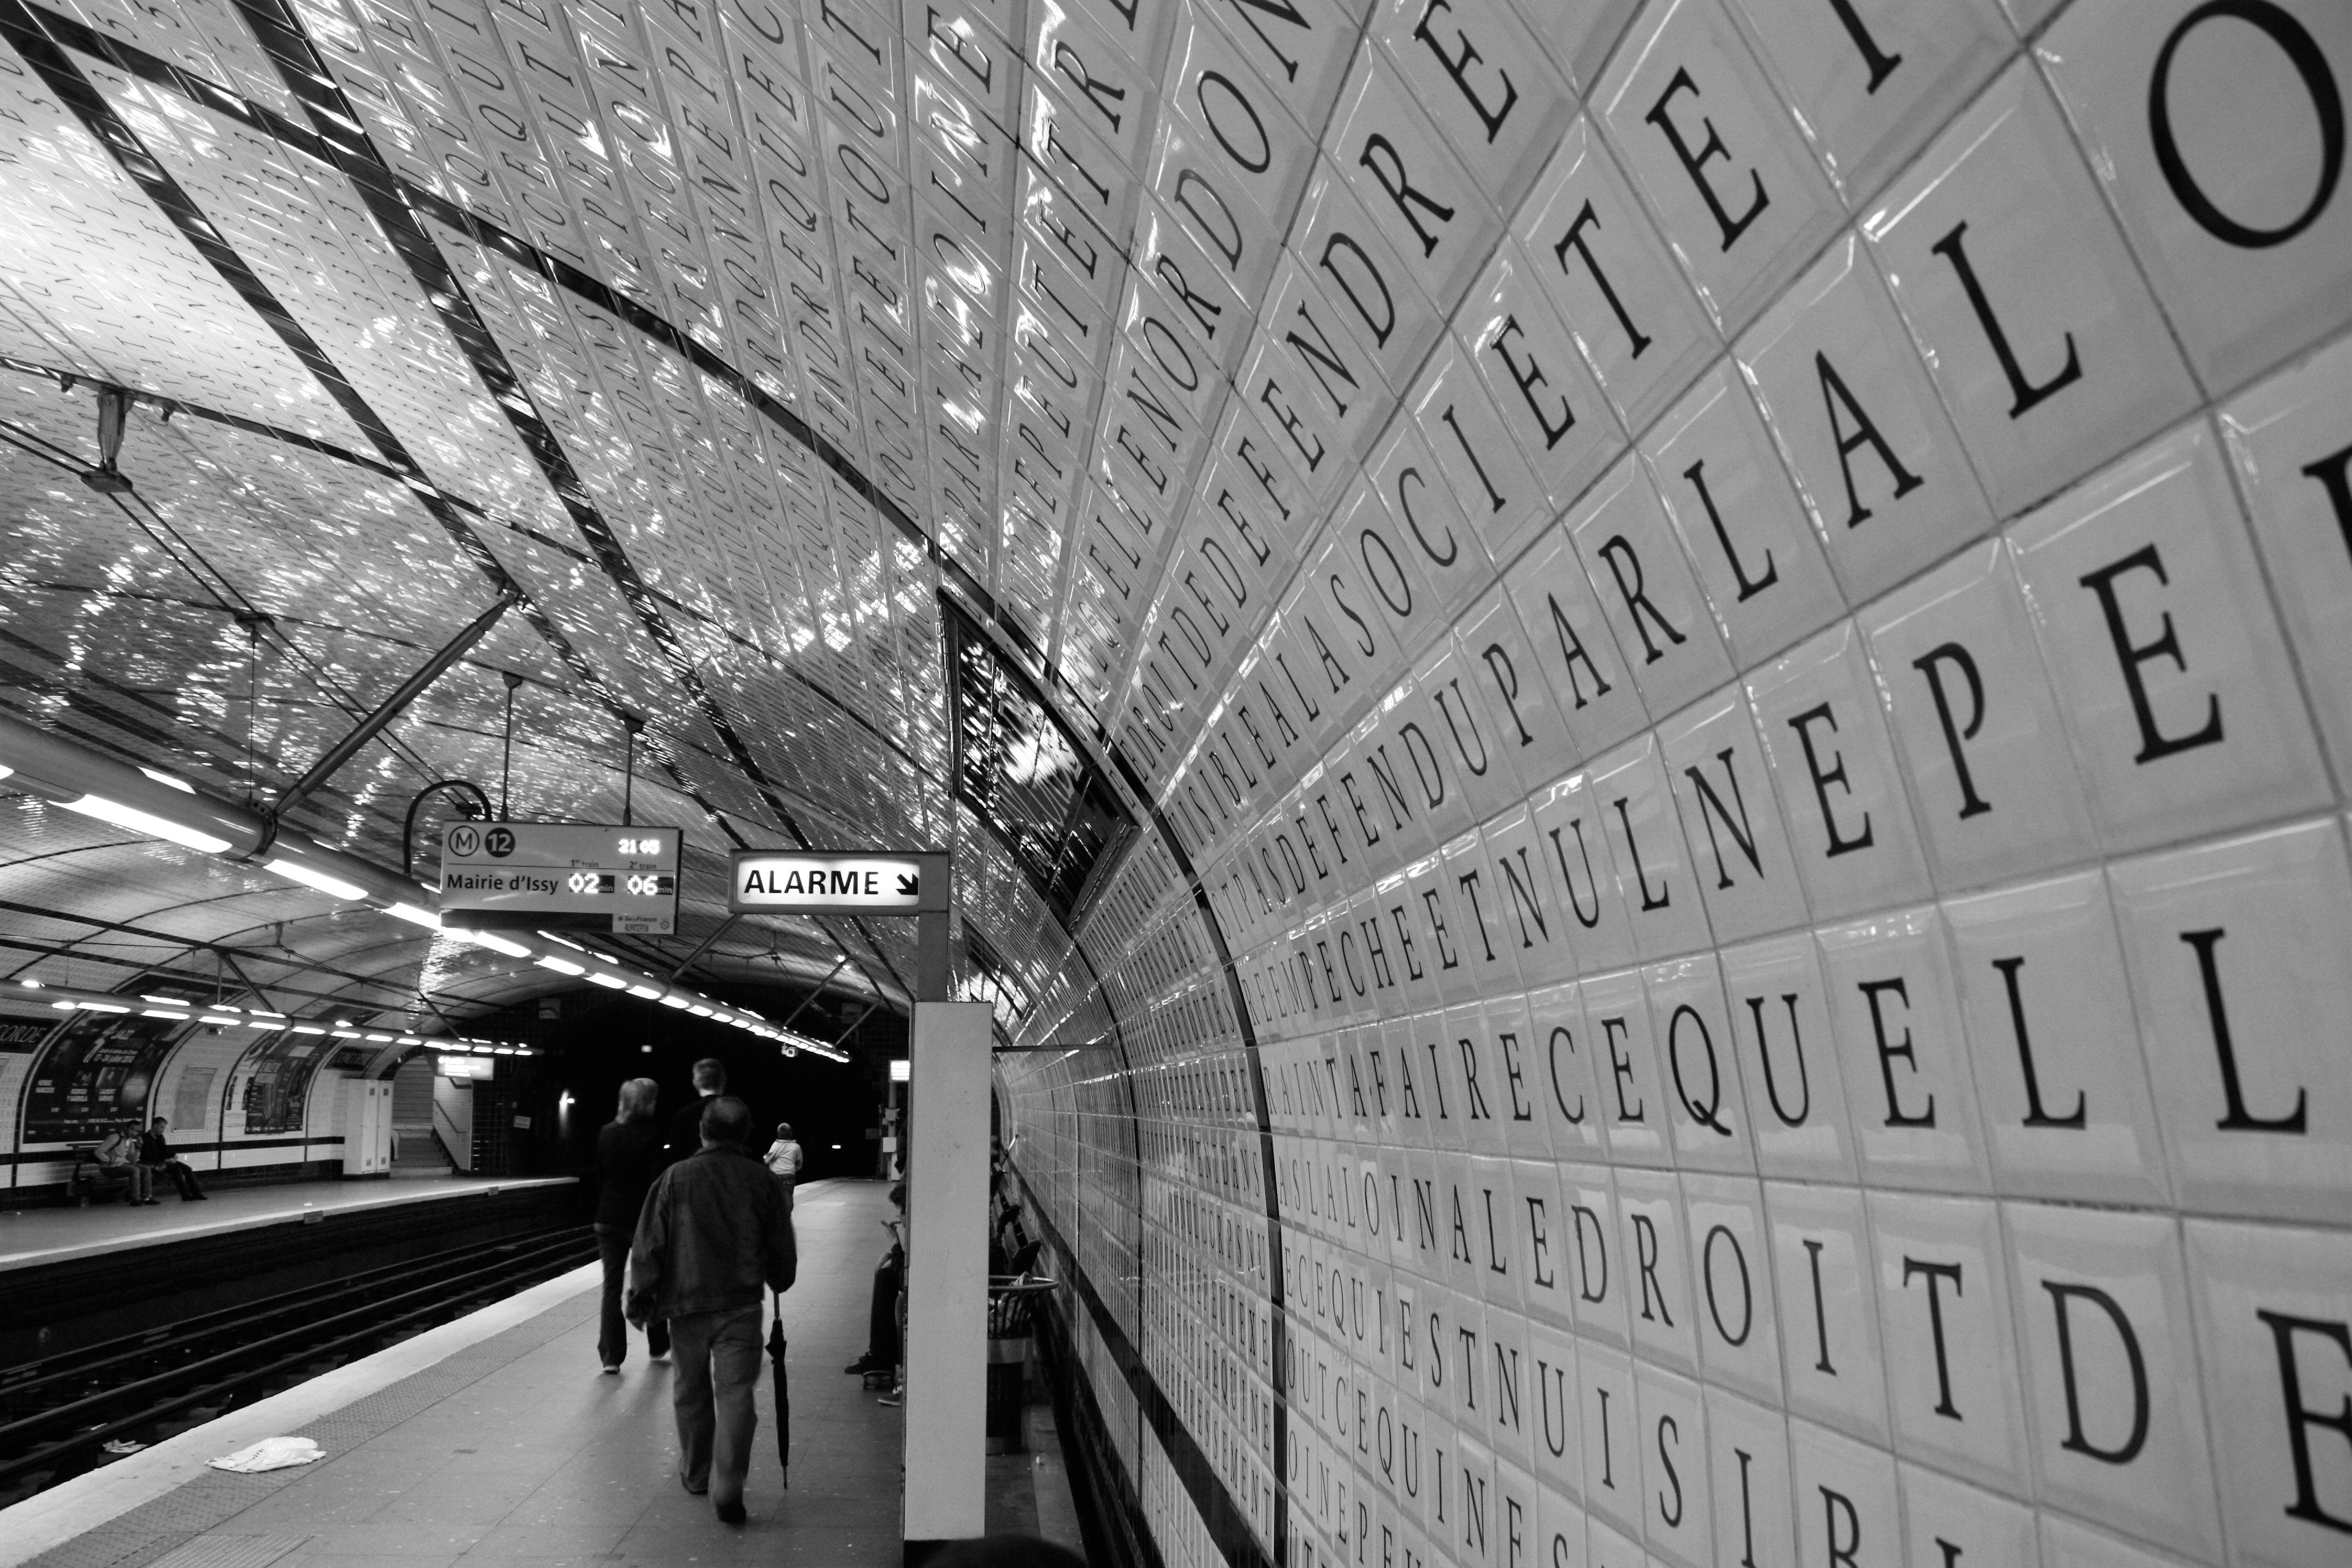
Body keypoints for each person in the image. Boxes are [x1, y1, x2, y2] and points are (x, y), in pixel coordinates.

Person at [627, 1095, 795, 1525]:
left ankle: (698, 1475)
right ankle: (729, 1482)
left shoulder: (675, 1178)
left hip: (687, 1305)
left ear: (703, 1131)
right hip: (740, 1304)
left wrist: (642, 1297)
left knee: (691, 1389)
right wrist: (780, 1276)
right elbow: (781, 1245)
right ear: (745, 1135)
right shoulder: (761, 1181)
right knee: (736, 1393)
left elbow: (649, 1244)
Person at [594, 1076, 666, 1373]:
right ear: (648, 1102)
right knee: (649, 1279)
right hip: (641, 1219)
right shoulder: (653, 1134)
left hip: (608, 1217)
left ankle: (611, 1358)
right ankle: (658, 1341)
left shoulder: (607, 1132)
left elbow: (600, 1173)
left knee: (611, 1287)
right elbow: (656, 1182)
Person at [665, 1058, 727, 1163]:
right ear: (723, 1080)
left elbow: (676, 1155)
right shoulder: (736, 1112)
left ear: (696, 1082)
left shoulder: (683, 1115)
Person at [141, 1117, 206, 1200]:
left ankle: (197, 1193)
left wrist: (173, 1156)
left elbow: (164, 1151)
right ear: (155, 1125)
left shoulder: (160, 1137)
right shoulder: (146, 1138)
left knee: (188, 1169)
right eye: (162, 1128)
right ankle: (185, 1195)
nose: (163, 1130)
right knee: (177, 1169)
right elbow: (148, 1156)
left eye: (164, 1128)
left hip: (165, 1161)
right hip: (154, 1163)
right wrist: (166, 1160)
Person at [95, 1123, 155, 1204]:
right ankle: (135, 1198)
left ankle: (147, 1197)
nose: (133, 1133)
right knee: (134, 1170)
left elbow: (132, 1161)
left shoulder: (130, 1141)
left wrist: (138, 1148)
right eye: (132, 1129)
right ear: (126, 1128)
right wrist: (109, 1159)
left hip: (122, 1165)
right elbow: (98, 1151)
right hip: (109, 1167)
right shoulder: (115, 1138)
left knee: (146, 1169)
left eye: (136, 1131)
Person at [761, 1121, 802, 1210]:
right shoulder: (796, 1147)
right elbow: (799, 1163)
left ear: (778, 1134)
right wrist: (792, 1169)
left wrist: (765, 1156)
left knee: (775, 1198)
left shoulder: (776, 1145)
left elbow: (767, 1160)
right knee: (788, 1197)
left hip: (775, 1175)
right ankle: (787, 1217)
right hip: (789, 1175)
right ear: (791, 1133)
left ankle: (777, 1218)